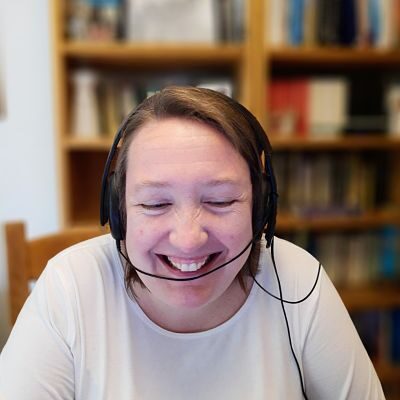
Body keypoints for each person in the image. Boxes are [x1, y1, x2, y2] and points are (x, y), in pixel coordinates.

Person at [0, 86, 385, 399]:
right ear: (119, 214)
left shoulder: (298, 282)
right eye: (155, 203)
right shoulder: (70, 287)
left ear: (260, 209)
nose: (187, 239)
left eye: (220, 200)